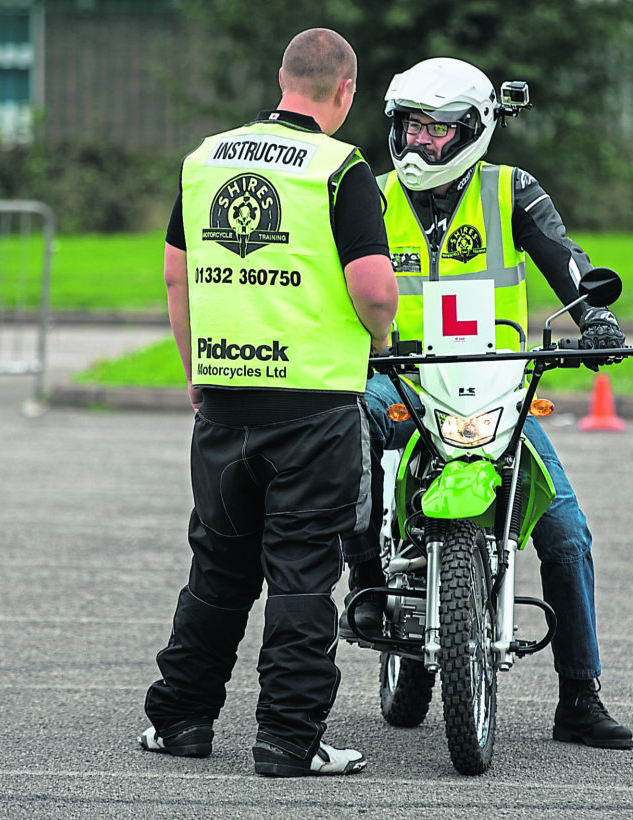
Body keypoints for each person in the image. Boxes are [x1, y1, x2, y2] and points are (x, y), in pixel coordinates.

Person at [339, 57, 633, 750]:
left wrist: (594, 316)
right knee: (347, 419)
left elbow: (565, 258)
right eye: (410, 127)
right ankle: (368, 571)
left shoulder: (511, 190)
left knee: (566, 532)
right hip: (400, 378)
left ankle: (580, 696)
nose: (419, 144)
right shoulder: (369, 197)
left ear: (474, 129)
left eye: (437, 131)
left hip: (495, 386)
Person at [139, 28, 398, 777]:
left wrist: (195, 371)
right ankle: (288, 738)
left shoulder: (205, 159)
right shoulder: (339, 168)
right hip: (312, 406)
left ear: (281, 78)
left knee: (218, 569)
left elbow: (175, 275)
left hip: (222, 399)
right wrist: (380, 338)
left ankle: (181, 720)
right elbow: (374, 287)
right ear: (344, 91)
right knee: (300, 575)